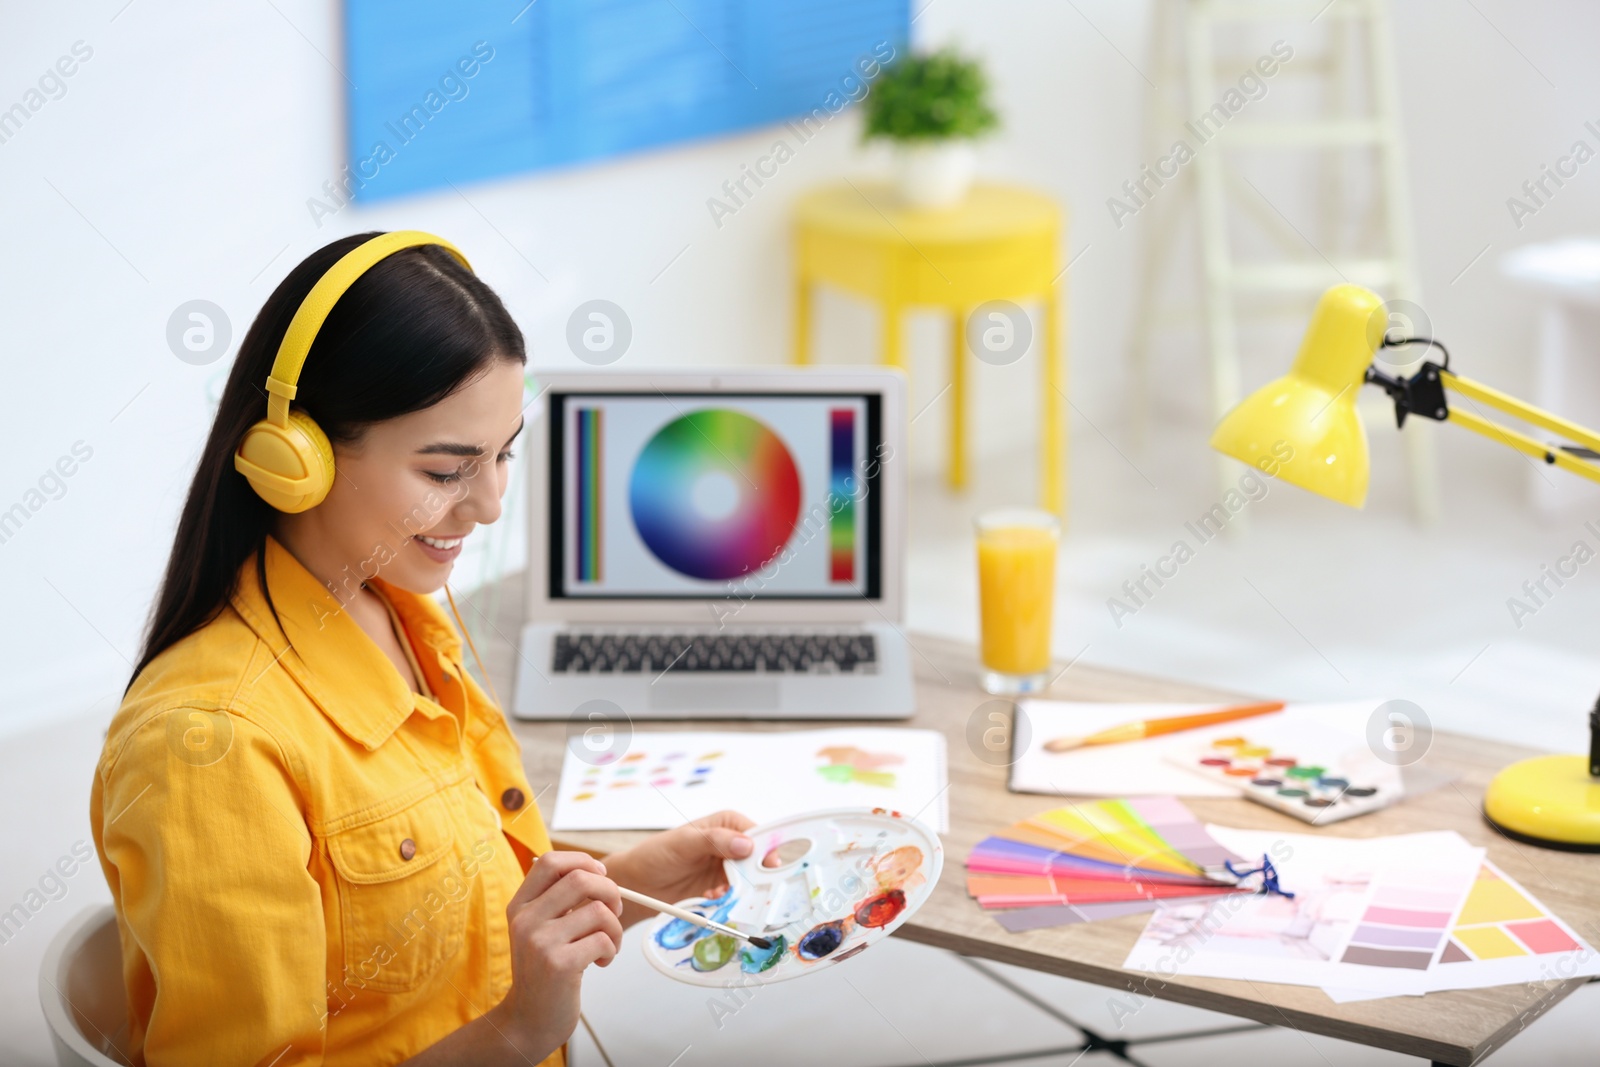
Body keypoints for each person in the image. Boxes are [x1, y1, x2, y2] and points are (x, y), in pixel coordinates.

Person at [90, 231, 755, 1066]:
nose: (487, 505)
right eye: (447, 471)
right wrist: (516, 1032)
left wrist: (628, 883)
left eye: (505, 453)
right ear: (294, 458)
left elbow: (448, 924)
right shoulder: (205, 747)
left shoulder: (403, 610)